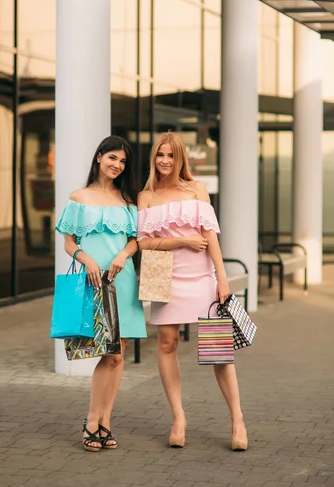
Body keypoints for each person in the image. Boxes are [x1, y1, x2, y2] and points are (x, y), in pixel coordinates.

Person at [137, 132, 247, 451]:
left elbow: (209, 235)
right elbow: (143, 243)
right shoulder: (145, 196)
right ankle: (178, 417)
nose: (165, 161)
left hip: (201, 274)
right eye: (160, 154)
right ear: (153, 157)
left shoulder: (197, 189)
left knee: (217, 350)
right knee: (167, 343)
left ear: (181, 157)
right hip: (160, 271)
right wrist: (181, 241)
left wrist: (222, 278)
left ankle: (237, 420)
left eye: (171, 155)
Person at [55, 136, 147, 452]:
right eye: (112, 158)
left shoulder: (129, 201)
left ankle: (105, 422)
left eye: (122, 162)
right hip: (96, 282)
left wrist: (124, 254)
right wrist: (86, 258)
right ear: (99, 157)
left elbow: (137, 240)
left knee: (118, 354)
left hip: (123, 279)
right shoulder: (79, 198)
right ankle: (91, 421)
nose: (117, 165)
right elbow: (68, 242)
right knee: (108, 353)